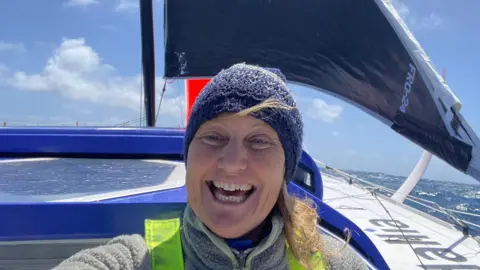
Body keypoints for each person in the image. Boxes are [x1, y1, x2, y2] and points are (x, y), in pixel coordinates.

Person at [52, 63, 368, 270]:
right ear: (188, 157)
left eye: (259, 141)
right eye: (213, 136)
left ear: (286, 167)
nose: (231, 163)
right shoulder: (134, 260)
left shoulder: (333, 262)